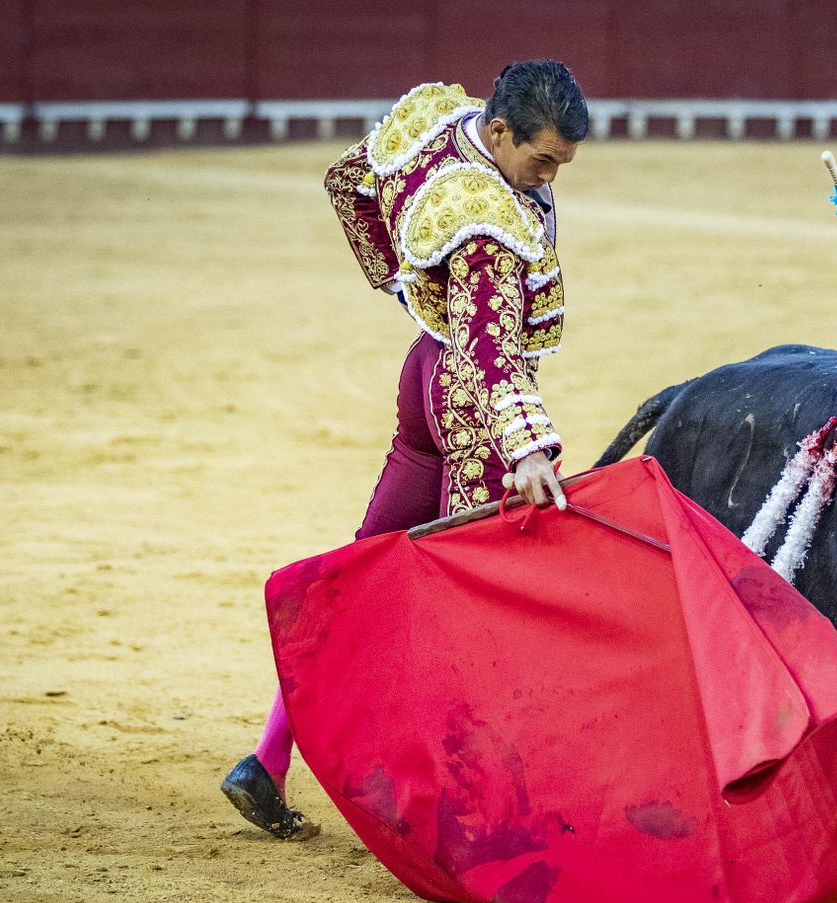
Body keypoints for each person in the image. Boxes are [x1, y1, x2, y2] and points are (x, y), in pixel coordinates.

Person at [221, 60, 589, 837]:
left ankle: (267, 757)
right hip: (469, 403)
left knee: (363, 573)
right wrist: (525, 449)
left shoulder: (435, 121)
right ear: (500, 133)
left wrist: (403, 282)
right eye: (544, 158)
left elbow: (347, 181)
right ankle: (462, 810)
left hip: (422, 371)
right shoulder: (489, 222)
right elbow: (492, 356)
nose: (551, 176)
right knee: (477, 605)